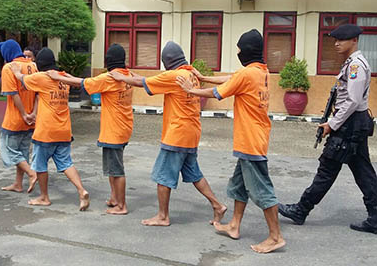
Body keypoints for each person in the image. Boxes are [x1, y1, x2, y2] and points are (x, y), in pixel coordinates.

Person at [176, 29, 285, 253]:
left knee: (262, 190)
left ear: (247, 50)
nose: (237, 53)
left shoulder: (248, 74)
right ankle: (234, 225)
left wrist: (192, 89)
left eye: (239, 50)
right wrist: (203, 77)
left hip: (250, 141)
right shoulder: (261, 71)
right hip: (255, 138)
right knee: (239, 186)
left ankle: (275, 237)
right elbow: (231, 79)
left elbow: (218, 92)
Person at [110, 41, 227, 226]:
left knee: (163, 175)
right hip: (192, 132)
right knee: (194, 174)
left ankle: (163, 216)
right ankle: (217, 205)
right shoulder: (190, 73)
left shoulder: (174, 75)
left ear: (167, 61)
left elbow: (143, 83)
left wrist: (120, 77)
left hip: (177, 134)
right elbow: (150, 80)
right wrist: (130, 74)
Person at [278, 24, 377, 235]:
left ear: (354, 41)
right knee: (363, 171)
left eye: (342, 39)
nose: (337, 43)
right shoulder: (351, 64)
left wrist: (332, 124)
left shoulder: (356, 66)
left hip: (349, 125)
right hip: (353, 124)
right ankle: (376, 216)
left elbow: (351, 101)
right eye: (336, 40)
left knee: (328, 168)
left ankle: (301, 209)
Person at [49, 44, 133, 214]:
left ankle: (122, 206)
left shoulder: (110, 78)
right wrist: (66, 76)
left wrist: (57, 76)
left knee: (117, 170)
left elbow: (81, 83)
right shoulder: (127, 75)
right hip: (123, 128)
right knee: (112, 167)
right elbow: (83, 81)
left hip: (113, 131)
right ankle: (114, 198)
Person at [9, 48, 90, 211]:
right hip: (64, 130)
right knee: (66, 163)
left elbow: (22, 79)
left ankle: (44, 197)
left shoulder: (42, 77)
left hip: (46, 131)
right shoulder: (64, 78)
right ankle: (81, 190)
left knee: (40, 165)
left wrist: (16, 69)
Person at [0, 39, 38, 194]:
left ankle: (31, 173)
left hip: (15, 119)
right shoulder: (33, 66)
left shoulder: (9, 67)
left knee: (8, 150)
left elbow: (13, 94)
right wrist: (33, 113)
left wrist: (23, 114)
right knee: (23, 152)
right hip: (31, 119)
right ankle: (18, 183)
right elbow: (38, 93)